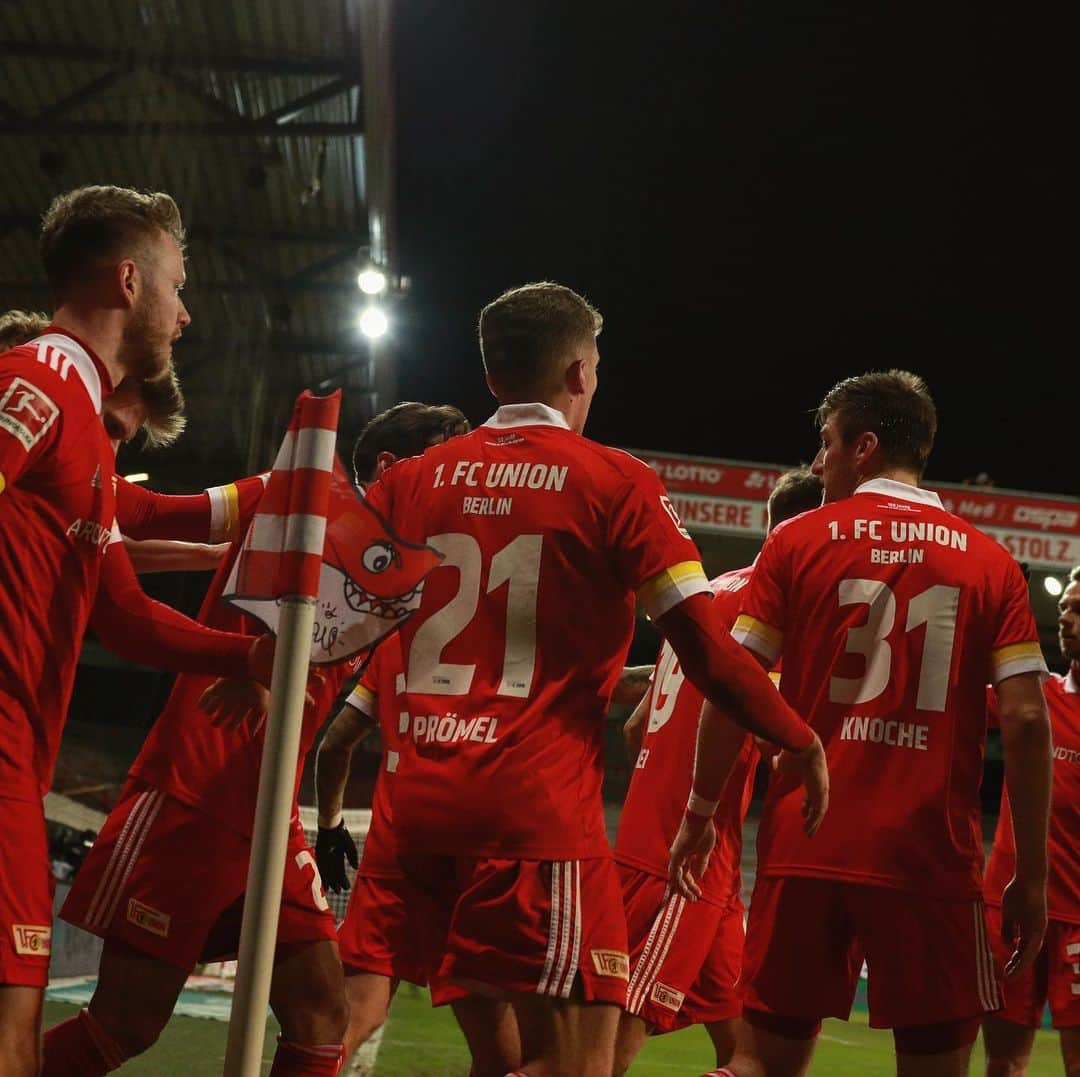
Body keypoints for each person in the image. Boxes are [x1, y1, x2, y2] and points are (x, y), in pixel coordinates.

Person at [361, 281, 827, 1077]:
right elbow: (714, 653)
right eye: (598, 367)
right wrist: (800, 736)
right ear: (579, 371)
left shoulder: (412, 479)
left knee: (496, 1051)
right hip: (533, 820)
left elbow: (333, 617)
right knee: (585, 1063)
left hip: (415, 812)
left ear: (492, 371)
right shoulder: (615, 481)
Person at [672, 370, 1052, 1077]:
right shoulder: (992, 562)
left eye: (825, 443)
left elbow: (738, 684)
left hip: (804, 845)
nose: (816, 463)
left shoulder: (796, 541)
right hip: (930, 858)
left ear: (865, 446)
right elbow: (1028, 720)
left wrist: (700, 808)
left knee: (759, 1063)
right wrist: (1031, 874)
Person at [0, 185, 270, 1075]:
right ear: (127, 280)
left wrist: (264, 650)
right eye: (176, 284)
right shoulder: (38, 379)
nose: (185, 312)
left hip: (23, 748)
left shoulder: (79, 408)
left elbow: (124, 614)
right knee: (15, 1024)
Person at [315, 402, 523, 1076]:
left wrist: (329, 825)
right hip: (480, 822)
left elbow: (336, 740)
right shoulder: (491, 591)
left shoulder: (394, 607)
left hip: (401, 826)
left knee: (354, 1009)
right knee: (508, 1045)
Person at [613, 469, 823, 1077]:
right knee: (605, 1047)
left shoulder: (707, 597)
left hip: (687, 852)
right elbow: (762, 730)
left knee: (747, 1054)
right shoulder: (774, 608)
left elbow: (634, 729)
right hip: (685, 859)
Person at [0, 308, 230, 573]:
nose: (109, 452)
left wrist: (212, 556)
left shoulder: (61, 473)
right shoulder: (38, 396)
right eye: (109, 427)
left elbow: (112, 540)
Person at [981, 565, 1080, 1077]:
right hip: (1009, 904)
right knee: (1003, 1060)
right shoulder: (1032, 700)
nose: (1065, 617)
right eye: (1064, 606)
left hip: (1079, 920)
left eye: (1078, 608)